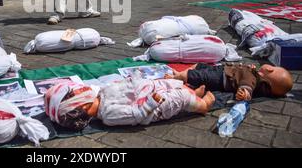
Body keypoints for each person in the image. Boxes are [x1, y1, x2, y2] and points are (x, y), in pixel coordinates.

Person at [44, 74, 215, 131]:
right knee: (181, 98)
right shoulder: (109, 115)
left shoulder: (100, 96)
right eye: (79, 90)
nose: (84, 88)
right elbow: (137, 115)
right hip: (155, 106)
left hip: (145, 91)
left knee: (165, 82)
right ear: (82, 106)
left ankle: (190, 91)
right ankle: (203, 106)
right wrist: (149, 102)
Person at [165, 63, 293, 101]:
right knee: (199, 66)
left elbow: (247, 86)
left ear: (270, 70)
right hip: (223, 70)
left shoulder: (253, 79)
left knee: (197, 75)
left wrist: (245, 93)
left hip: (221, 78)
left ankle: (176, 78)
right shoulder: (255, 75)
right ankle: (181, 76)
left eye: (274, 67)